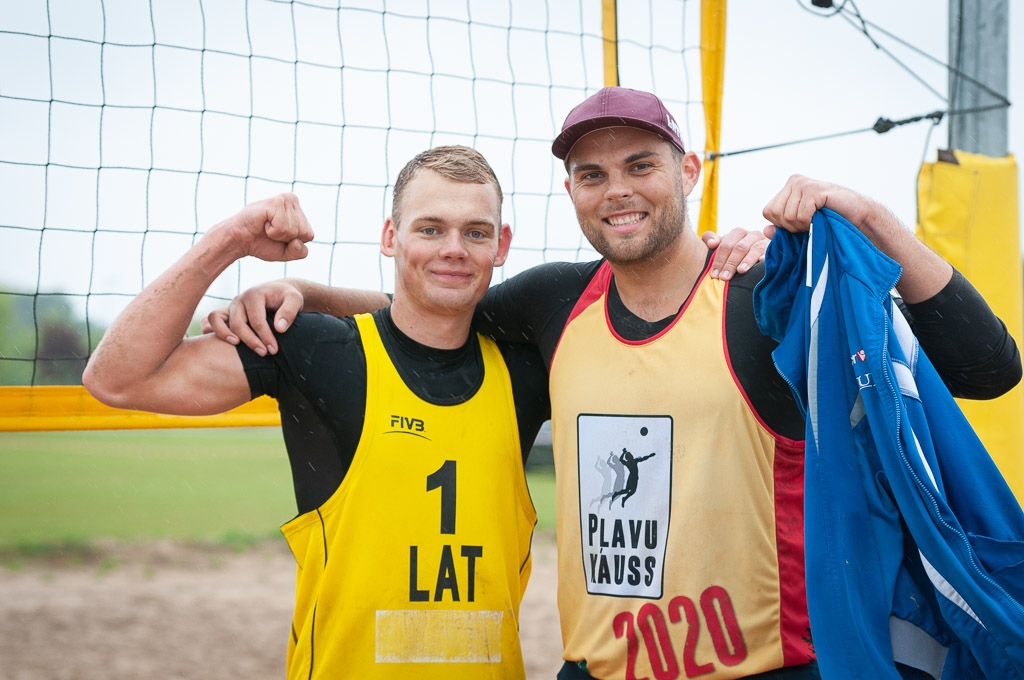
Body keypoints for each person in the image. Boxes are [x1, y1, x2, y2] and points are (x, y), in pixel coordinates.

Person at [208, 88, 1022, 679]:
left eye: (640, 164)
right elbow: (433, 308)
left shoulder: (761, 292)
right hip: (597, 670)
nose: (617, 189)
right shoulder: (553, 302)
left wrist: (869, 215)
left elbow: (990, 368)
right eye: (591, 175)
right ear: (571, 193)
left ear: (690, 170)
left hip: (768, 667)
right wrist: (302, 294)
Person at [84, 146, 555, 679]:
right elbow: (117, 378)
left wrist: (308, 290)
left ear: (501, 245)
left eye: (475, 232)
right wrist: (231, 240)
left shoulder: (529, 368)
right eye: (429, 229)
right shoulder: (316, 350)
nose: (454, 249)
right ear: (389, 238)